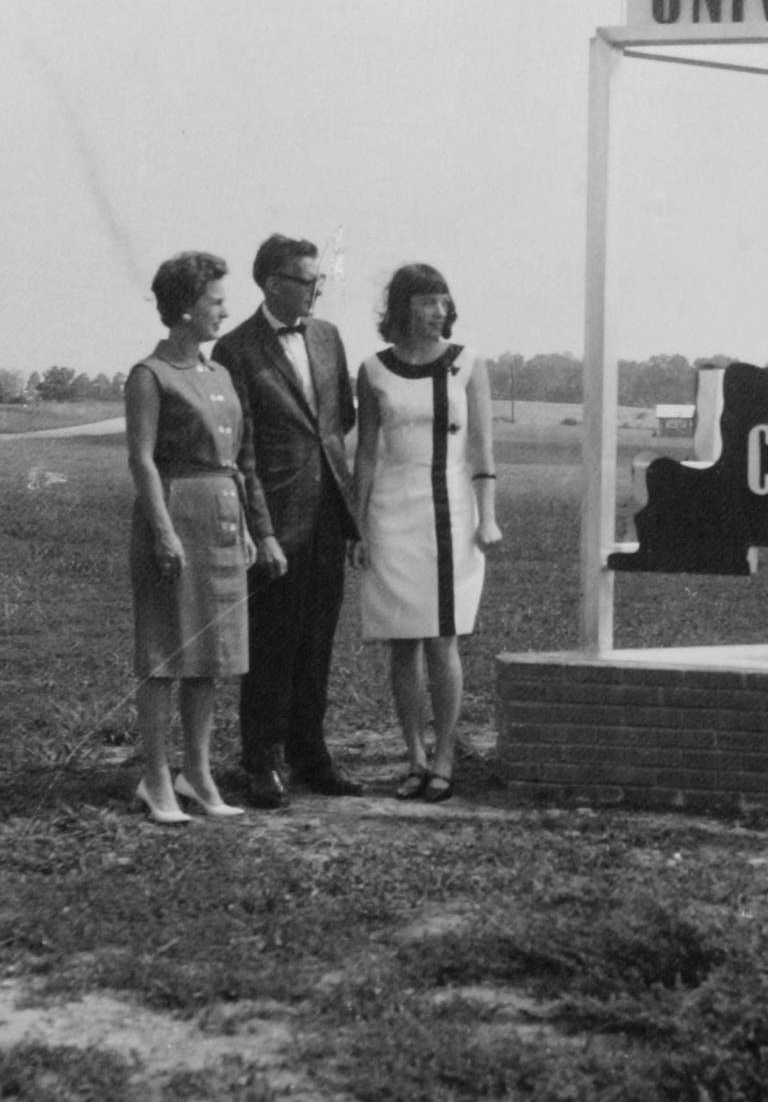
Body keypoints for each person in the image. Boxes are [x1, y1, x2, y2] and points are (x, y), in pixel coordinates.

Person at [212, 234, 362, 807]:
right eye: (307, 281)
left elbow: (337, 421)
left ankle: (311, 753)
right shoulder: (236, 350)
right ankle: (262, 760)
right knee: (272, 642)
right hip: (274, 521)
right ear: (274, 284)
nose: (317, 289)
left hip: (329, 513)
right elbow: (242, 449)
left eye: (318, 280)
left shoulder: (327, 337)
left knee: (317, 642)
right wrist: (263, 529)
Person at [352, 264, 503, 803]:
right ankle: (413, 755)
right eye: (426, 301)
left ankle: (444, 757)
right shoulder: (372, 369)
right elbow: (367, 452)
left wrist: (488, 515)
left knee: (443, 637)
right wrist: (358, 521)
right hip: (392, 510)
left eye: (444, 300)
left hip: (453, 510)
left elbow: (483, 449)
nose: (438, 310)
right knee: (401, 641)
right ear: (402, 308)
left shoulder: (467, 364)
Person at [125, 251, 255, 825]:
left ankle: (196, 774)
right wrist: (162, 530)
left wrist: (247, 526)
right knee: (164, 654)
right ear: (183, 308)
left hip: (224, 521)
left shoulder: (221, 374)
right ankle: (155, 781)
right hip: (176, 520)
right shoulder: (149, 376)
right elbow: (143, 461)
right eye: (215, 301)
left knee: (211, 655)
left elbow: (234, 461)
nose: (225, 311)